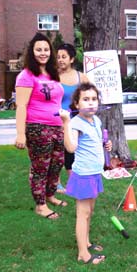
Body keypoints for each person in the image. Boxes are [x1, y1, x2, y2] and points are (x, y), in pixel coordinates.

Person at [14, 33, 66, 219]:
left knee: (57, 163)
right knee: (40, 167)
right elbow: (21, 106)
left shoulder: (53, 74)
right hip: (37, 128)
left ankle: (50, 195)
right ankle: (40, 204)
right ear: (32, 52)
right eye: (38, 49)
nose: (43, 53)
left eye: (46, 49)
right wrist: (21, 134)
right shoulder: (26, 76)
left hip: (57, 126)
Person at [59, 83, 112, 265]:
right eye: (85, 99)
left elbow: (96, 141)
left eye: (94, 99)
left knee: (90, 212)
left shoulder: (96, 120)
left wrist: (107, 145)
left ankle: (87, 242)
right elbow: (71, 147)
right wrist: (66, 123)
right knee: (83, 214)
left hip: (95, 173)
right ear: (76, 104)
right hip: (83, 175)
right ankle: (83, 253)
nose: (91, 103)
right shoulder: (75, 123)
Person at [56, 43, 89, 192]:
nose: (60, 60)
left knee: (72, 151)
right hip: (56, 120)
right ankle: (55, 183)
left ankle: (74, 181)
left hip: (75, 121)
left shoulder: (81, 77)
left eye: (64, 57)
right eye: (58, 57)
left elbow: (89, 95)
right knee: (57, 153)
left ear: (72, 59)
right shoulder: (53, 76)